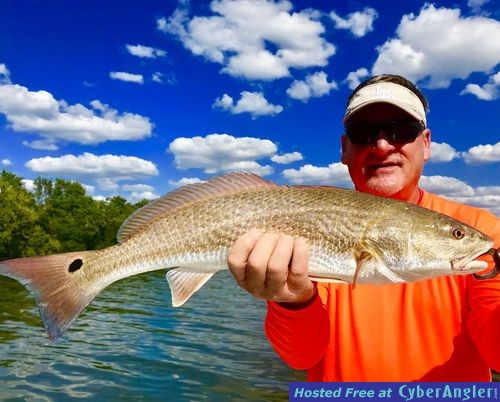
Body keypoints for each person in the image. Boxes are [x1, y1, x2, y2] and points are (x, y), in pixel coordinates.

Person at [227, 74, 500, 381]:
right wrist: (292, 301)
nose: (382, 145)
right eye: (363, 132)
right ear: (345, 148)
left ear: (425, 144)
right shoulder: (311, 223)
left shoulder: (484, 232)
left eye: (401, 131)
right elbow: (300, 356)